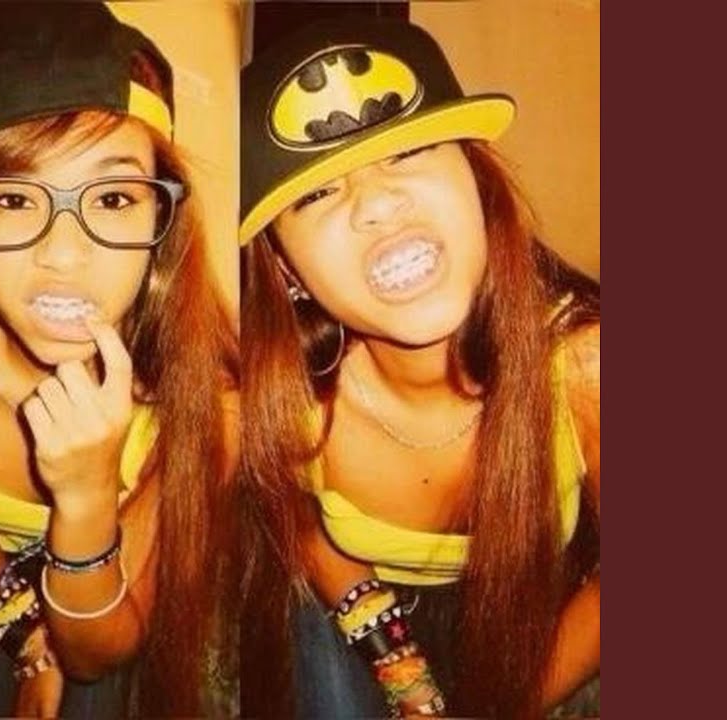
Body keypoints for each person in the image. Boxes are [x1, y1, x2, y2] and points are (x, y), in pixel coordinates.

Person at [237, 16, 600, 719]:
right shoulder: (281, 393)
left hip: (525, 621)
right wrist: (392, 655)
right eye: (315, 193)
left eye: (406, 150)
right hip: (353, 602)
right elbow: (295, 519)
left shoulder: (584, 365)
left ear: (477, 180)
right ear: (285, 269)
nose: (377, 204)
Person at [0, 4, 237, 717]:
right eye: (14, 198)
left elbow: (102, 646)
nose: (65, 256)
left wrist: (87, 498)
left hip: (106, 576)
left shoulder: (209, 404)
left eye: (113, 197)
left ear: (161, 214)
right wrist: (26, 633)